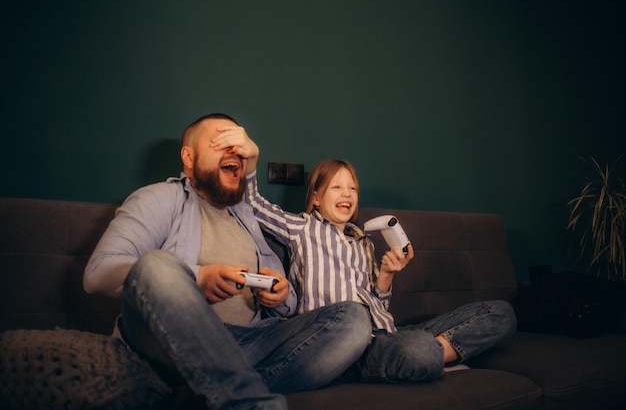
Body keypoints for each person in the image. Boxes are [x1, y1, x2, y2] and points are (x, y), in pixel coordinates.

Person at [83, 113, 372, 410]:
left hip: (252, 342)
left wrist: (280, 295)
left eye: (238, 145)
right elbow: (97, 273)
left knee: (352, 318)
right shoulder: (159, 198)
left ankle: (207, 392)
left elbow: (288, 305)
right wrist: (196, 278)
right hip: (172, 344)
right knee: (157, 265)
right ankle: (248, 402)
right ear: (188, 156)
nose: (234, 151)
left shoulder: (244, 214)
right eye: (221, 143)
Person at [211, 125, 517, 384]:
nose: (346, 194)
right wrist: (249, 160)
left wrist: (386, 275)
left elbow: (379, 304)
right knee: (416, 350)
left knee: (500, 313)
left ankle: (431, 357)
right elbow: (251, 203)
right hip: (350, 346)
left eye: (353, 189)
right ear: (316, 198)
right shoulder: (300, 227)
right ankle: (430, 358)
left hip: (390, 333)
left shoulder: (363, 241)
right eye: (336, 187)